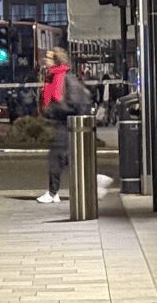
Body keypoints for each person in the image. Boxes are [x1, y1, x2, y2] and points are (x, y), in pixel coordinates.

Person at [37, 49, 109, 203]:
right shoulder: (55, 76)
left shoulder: (66, 77)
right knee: (70, 158)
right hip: (64, 122)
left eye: (49, 58)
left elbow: (76, 103)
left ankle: (52, 192)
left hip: (69, 123)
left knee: (55, 157)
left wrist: (55, 110)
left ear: (57, 60)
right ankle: (95, 180)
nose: (45, 60)